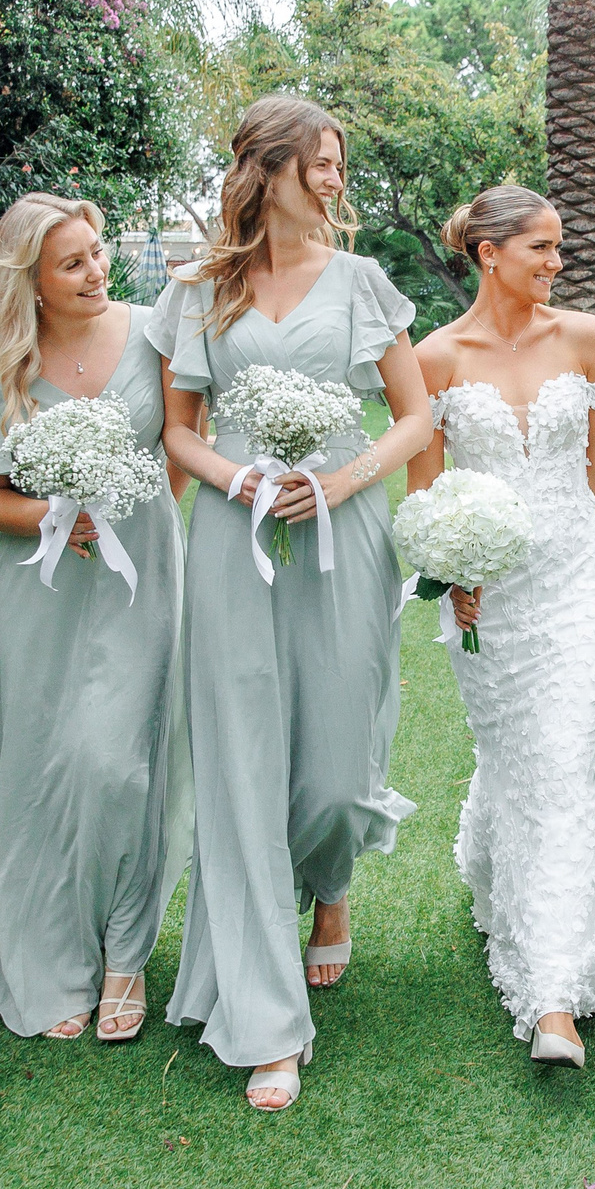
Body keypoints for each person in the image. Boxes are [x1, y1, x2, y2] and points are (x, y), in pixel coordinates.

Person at [151, 94, 433, 1111]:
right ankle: (265, 1016)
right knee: (239, 764)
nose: (332, 180)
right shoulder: (202, 292)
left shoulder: (362, 283)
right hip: (234, 537)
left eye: (336, 163)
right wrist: (240, 481)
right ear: (265, 168)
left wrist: (339, 483)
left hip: (341, 531)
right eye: (317, 162)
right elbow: (179, 430)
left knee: (328, 770)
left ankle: (329, 882)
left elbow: (413, 413)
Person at [407, 186, 595, 1069]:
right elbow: (426, 492)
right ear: (489, 253)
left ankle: (553, 997)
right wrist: (451, 576)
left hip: (577, 585)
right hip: (489, 599)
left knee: (559, 760)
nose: (557, 264)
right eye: (541, 249)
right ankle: (496, 868)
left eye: (558, 248)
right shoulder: (436, 358)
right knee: (521, 758)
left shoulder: (586, 340)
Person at [0, 193, 189, 1042]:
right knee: (40, 769)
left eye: (99, 252)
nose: (97, 271)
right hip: (37, 592)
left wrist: (146, 527)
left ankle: (123, 953)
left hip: (143, 577)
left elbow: (180, 449)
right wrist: (53, 519)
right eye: (73, 263)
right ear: (29, 281)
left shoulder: (155, 334)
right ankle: (54, 956)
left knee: (119, 763)